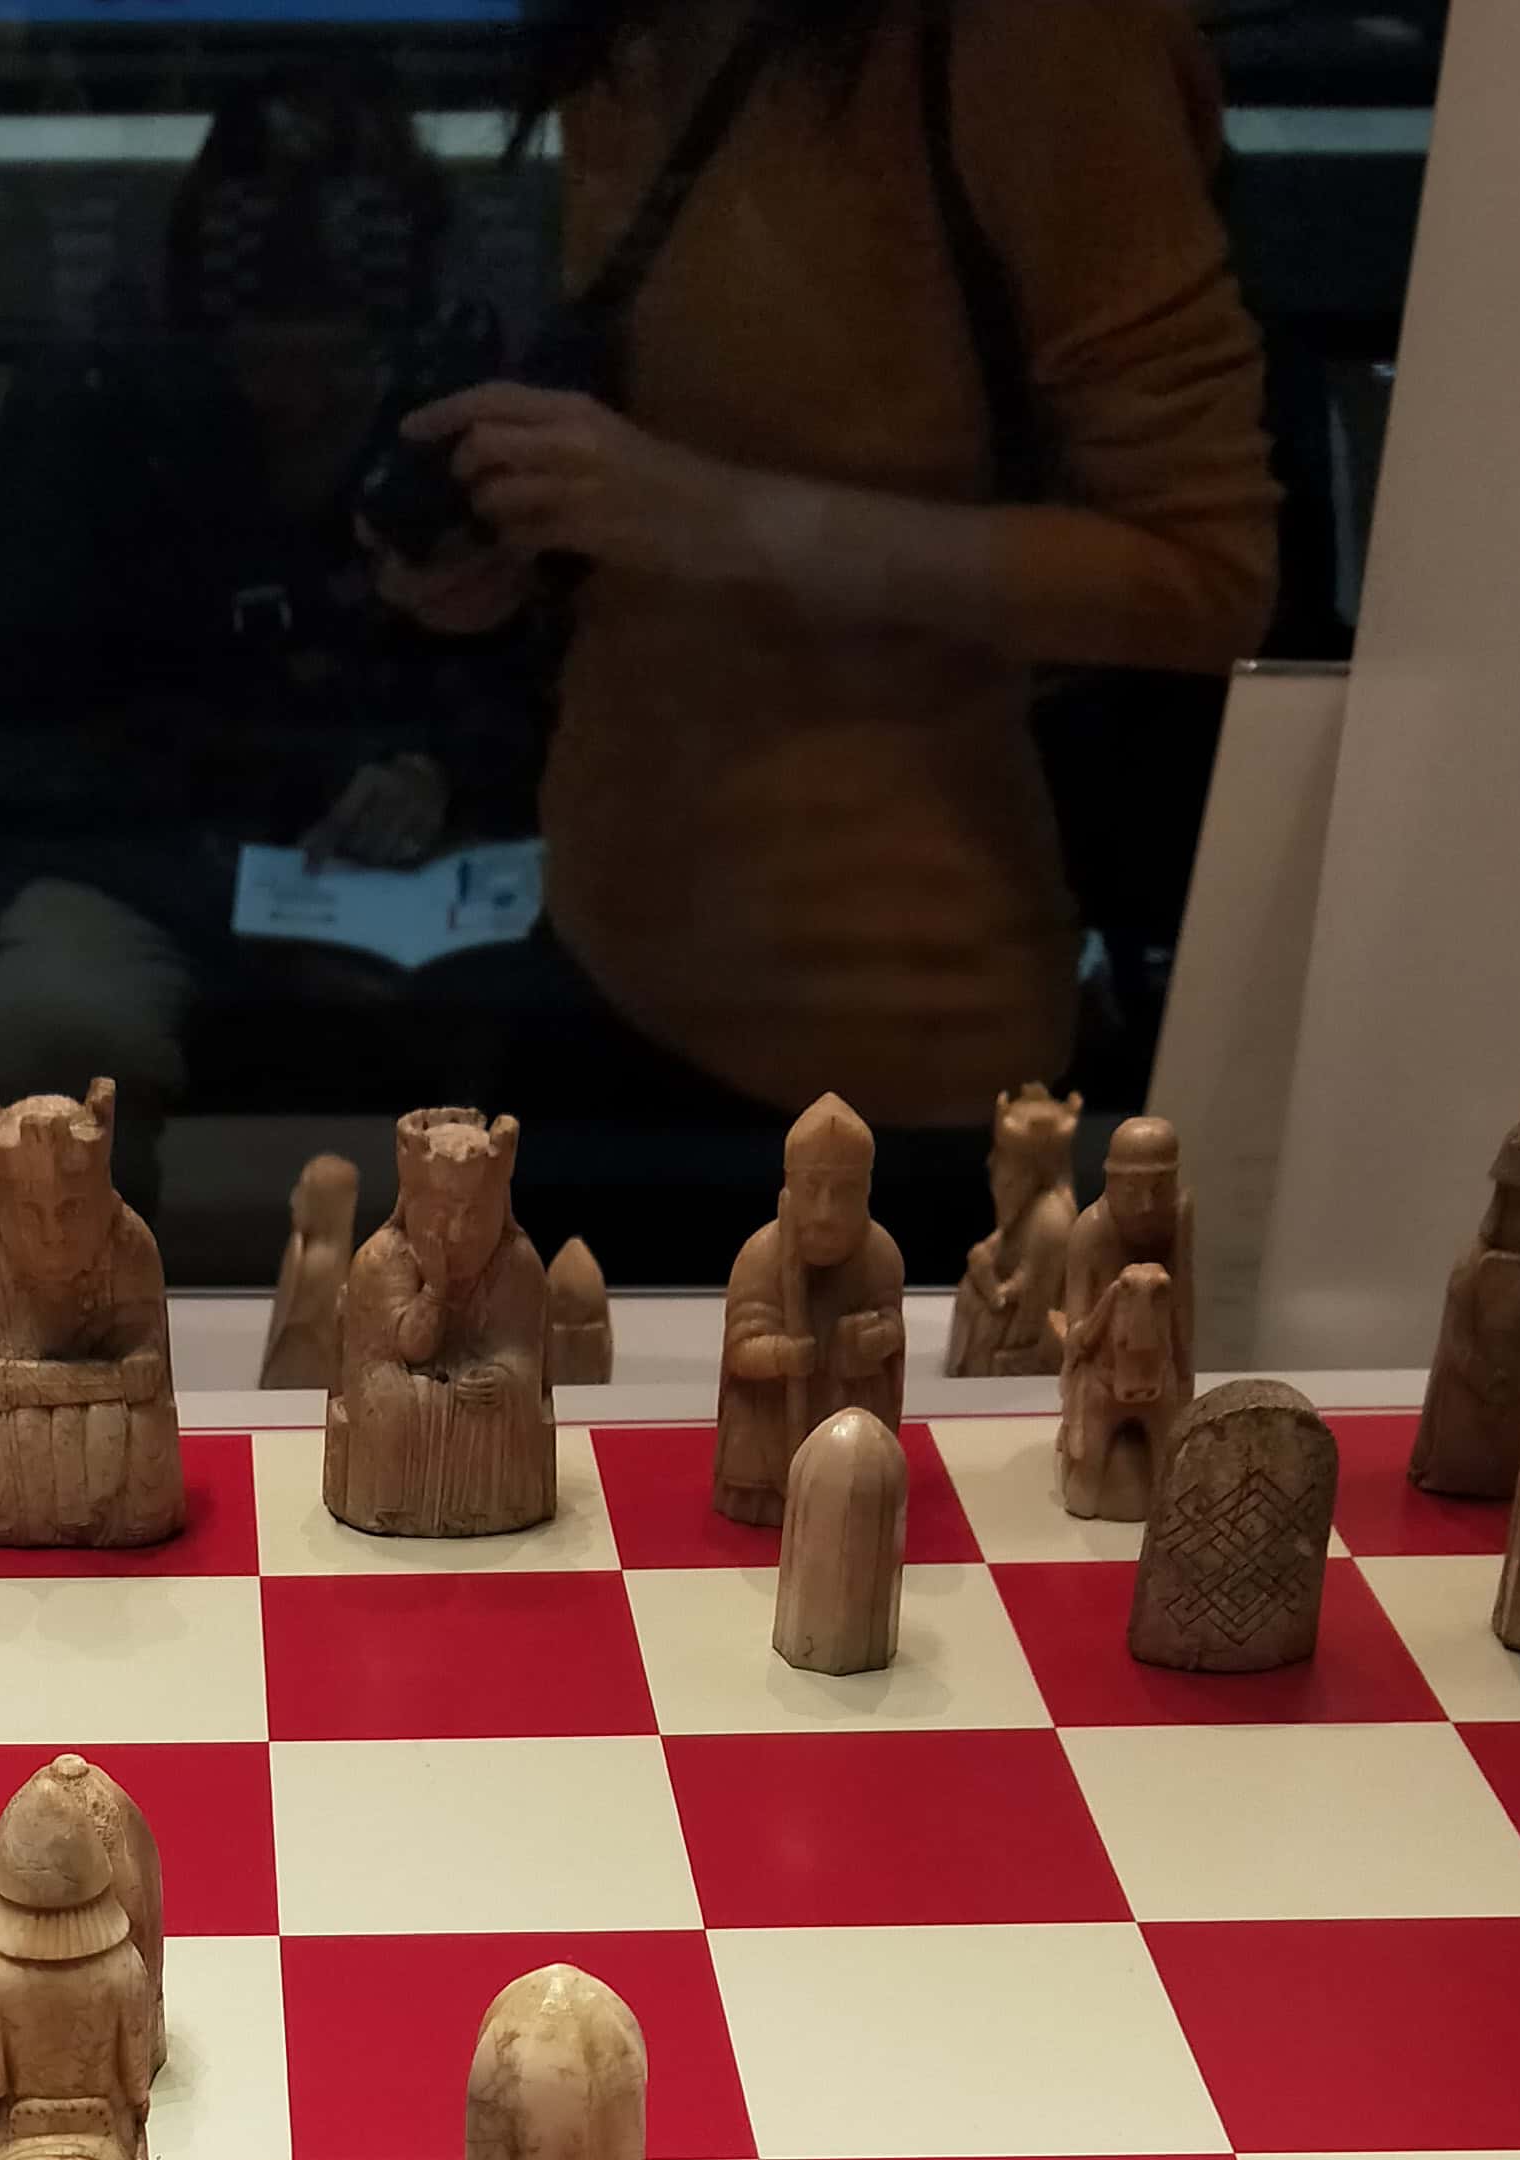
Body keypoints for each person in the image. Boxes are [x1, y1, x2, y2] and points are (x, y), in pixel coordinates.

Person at [386, 0, 1277, 1274]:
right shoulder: (638, 31)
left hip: (889, 1039)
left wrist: (709, 515)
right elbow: (696, 436)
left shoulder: (1036, 38)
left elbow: (1206, 575)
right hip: (604, 941)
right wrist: (535, 541)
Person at [0, 75, 547, 1212]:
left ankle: (507, 1310)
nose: (301, 403)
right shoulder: (95, 401)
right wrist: (268, 820)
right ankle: (70, 1309)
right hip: (135, 859)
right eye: (263, 364)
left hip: (418, 876)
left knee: (576, 1017)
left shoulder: (458, 396)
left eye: (340, 369)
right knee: (60, 1045)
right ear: (200, 327)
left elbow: (548, 692)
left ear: (398, 334)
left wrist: (441, 772)